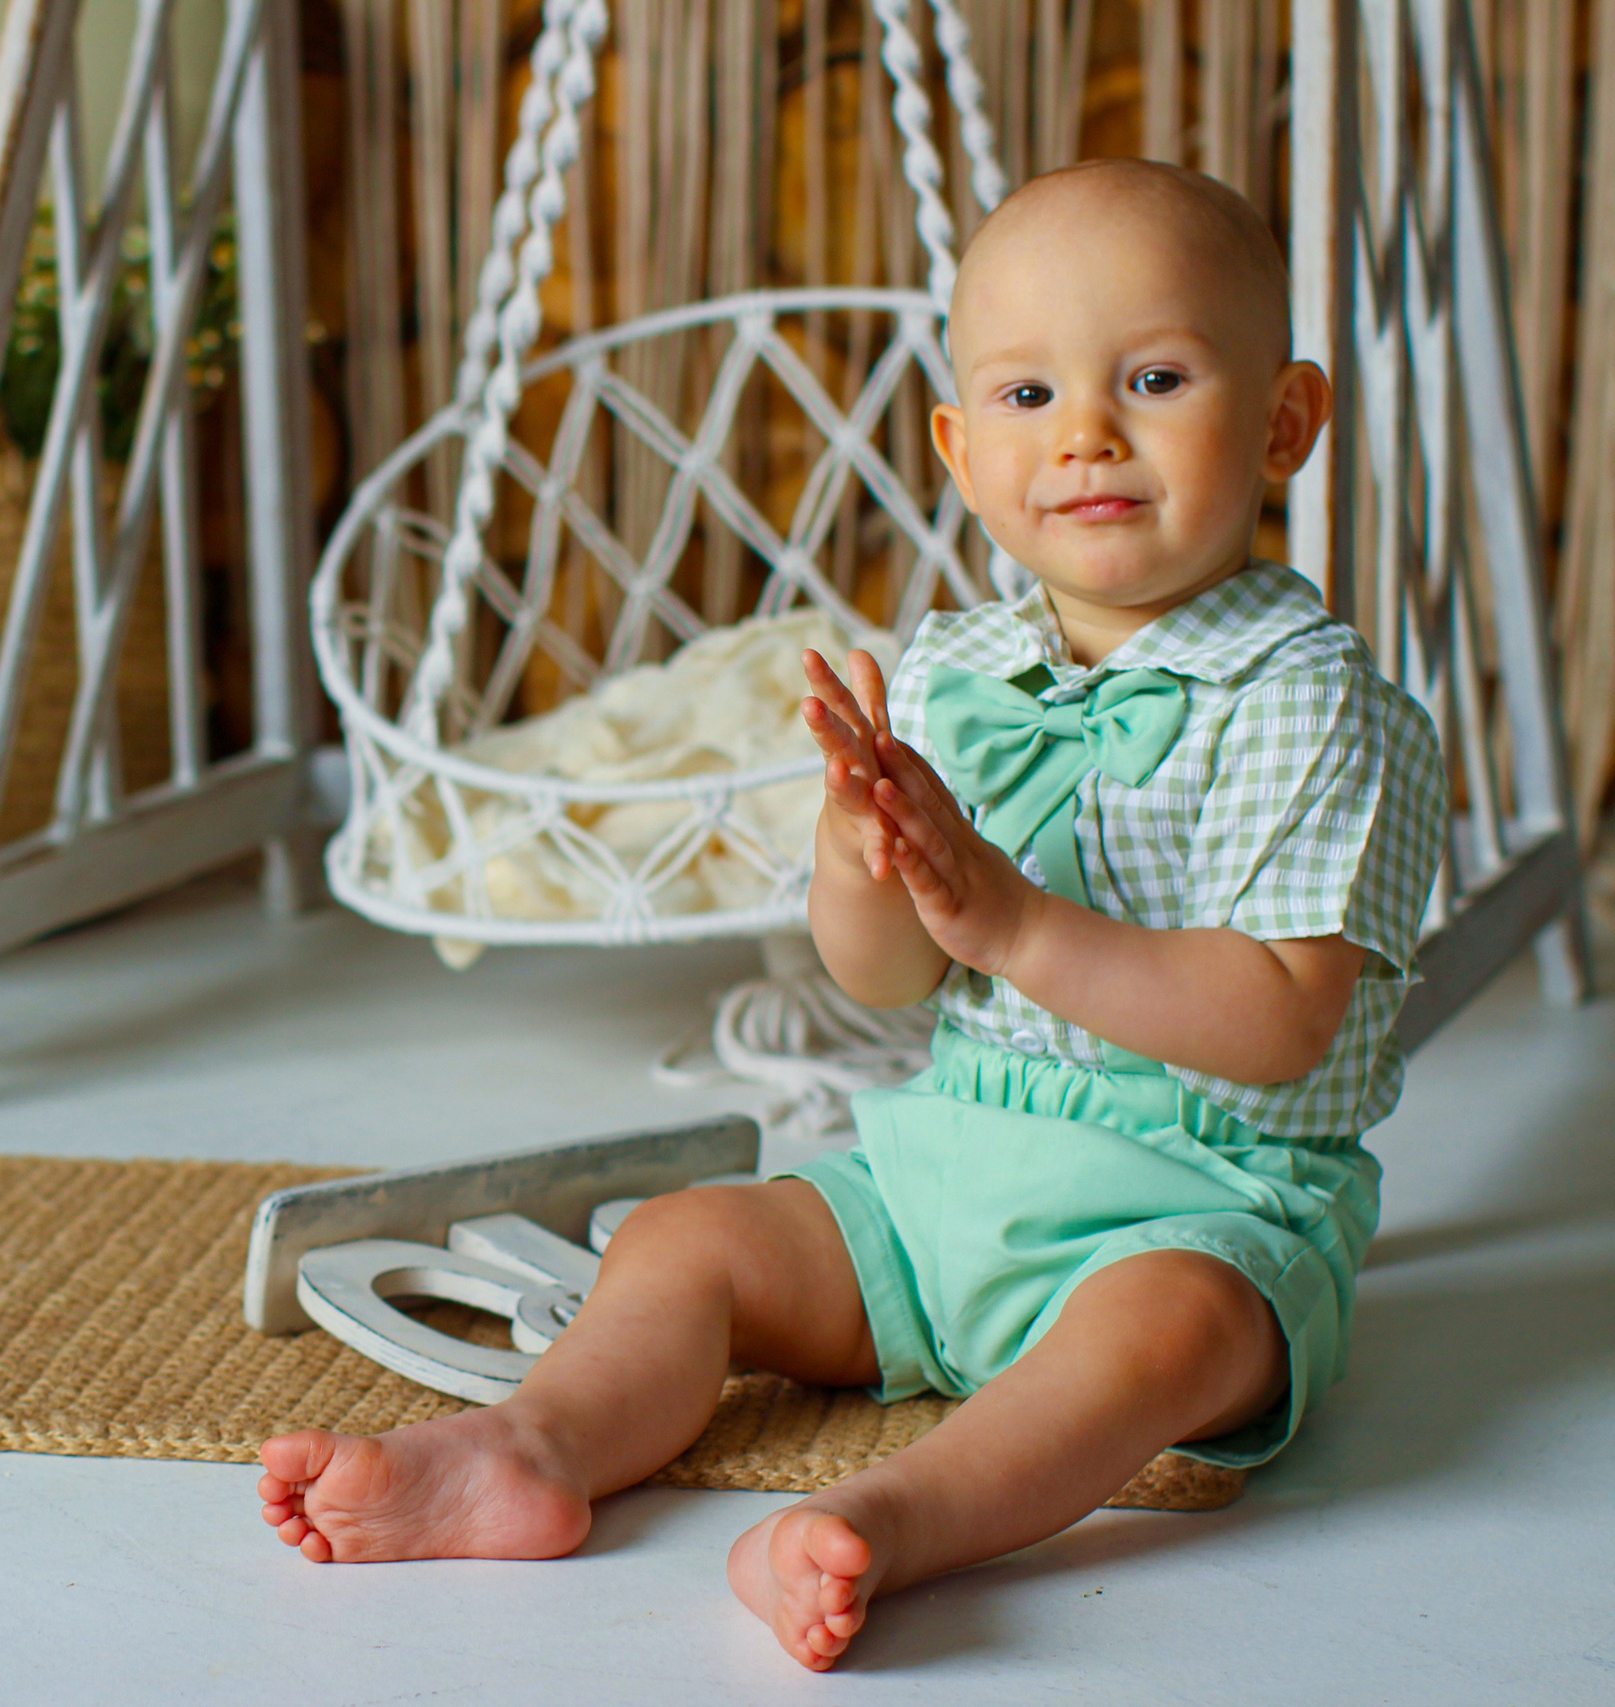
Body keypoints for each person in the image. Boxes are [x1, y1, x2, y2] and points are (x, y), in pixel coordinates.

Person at [252, 158, 1447, 1671]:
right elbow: (882, 982)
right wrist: (855, 853)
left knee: (1166, 1340)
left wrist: (1017, 927)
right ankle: (532, 1446)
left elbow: (1279, 1024)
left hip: (1203, 1203)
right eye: (1027, 395)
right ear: (959, 449)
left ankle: (891, 1516)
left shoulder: (1314, 701)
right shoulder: (957, 670)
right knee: (689, 1240)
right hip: (948, 1171)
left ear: (1283, 420)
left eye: (1153, 379)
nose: (1085, 434)